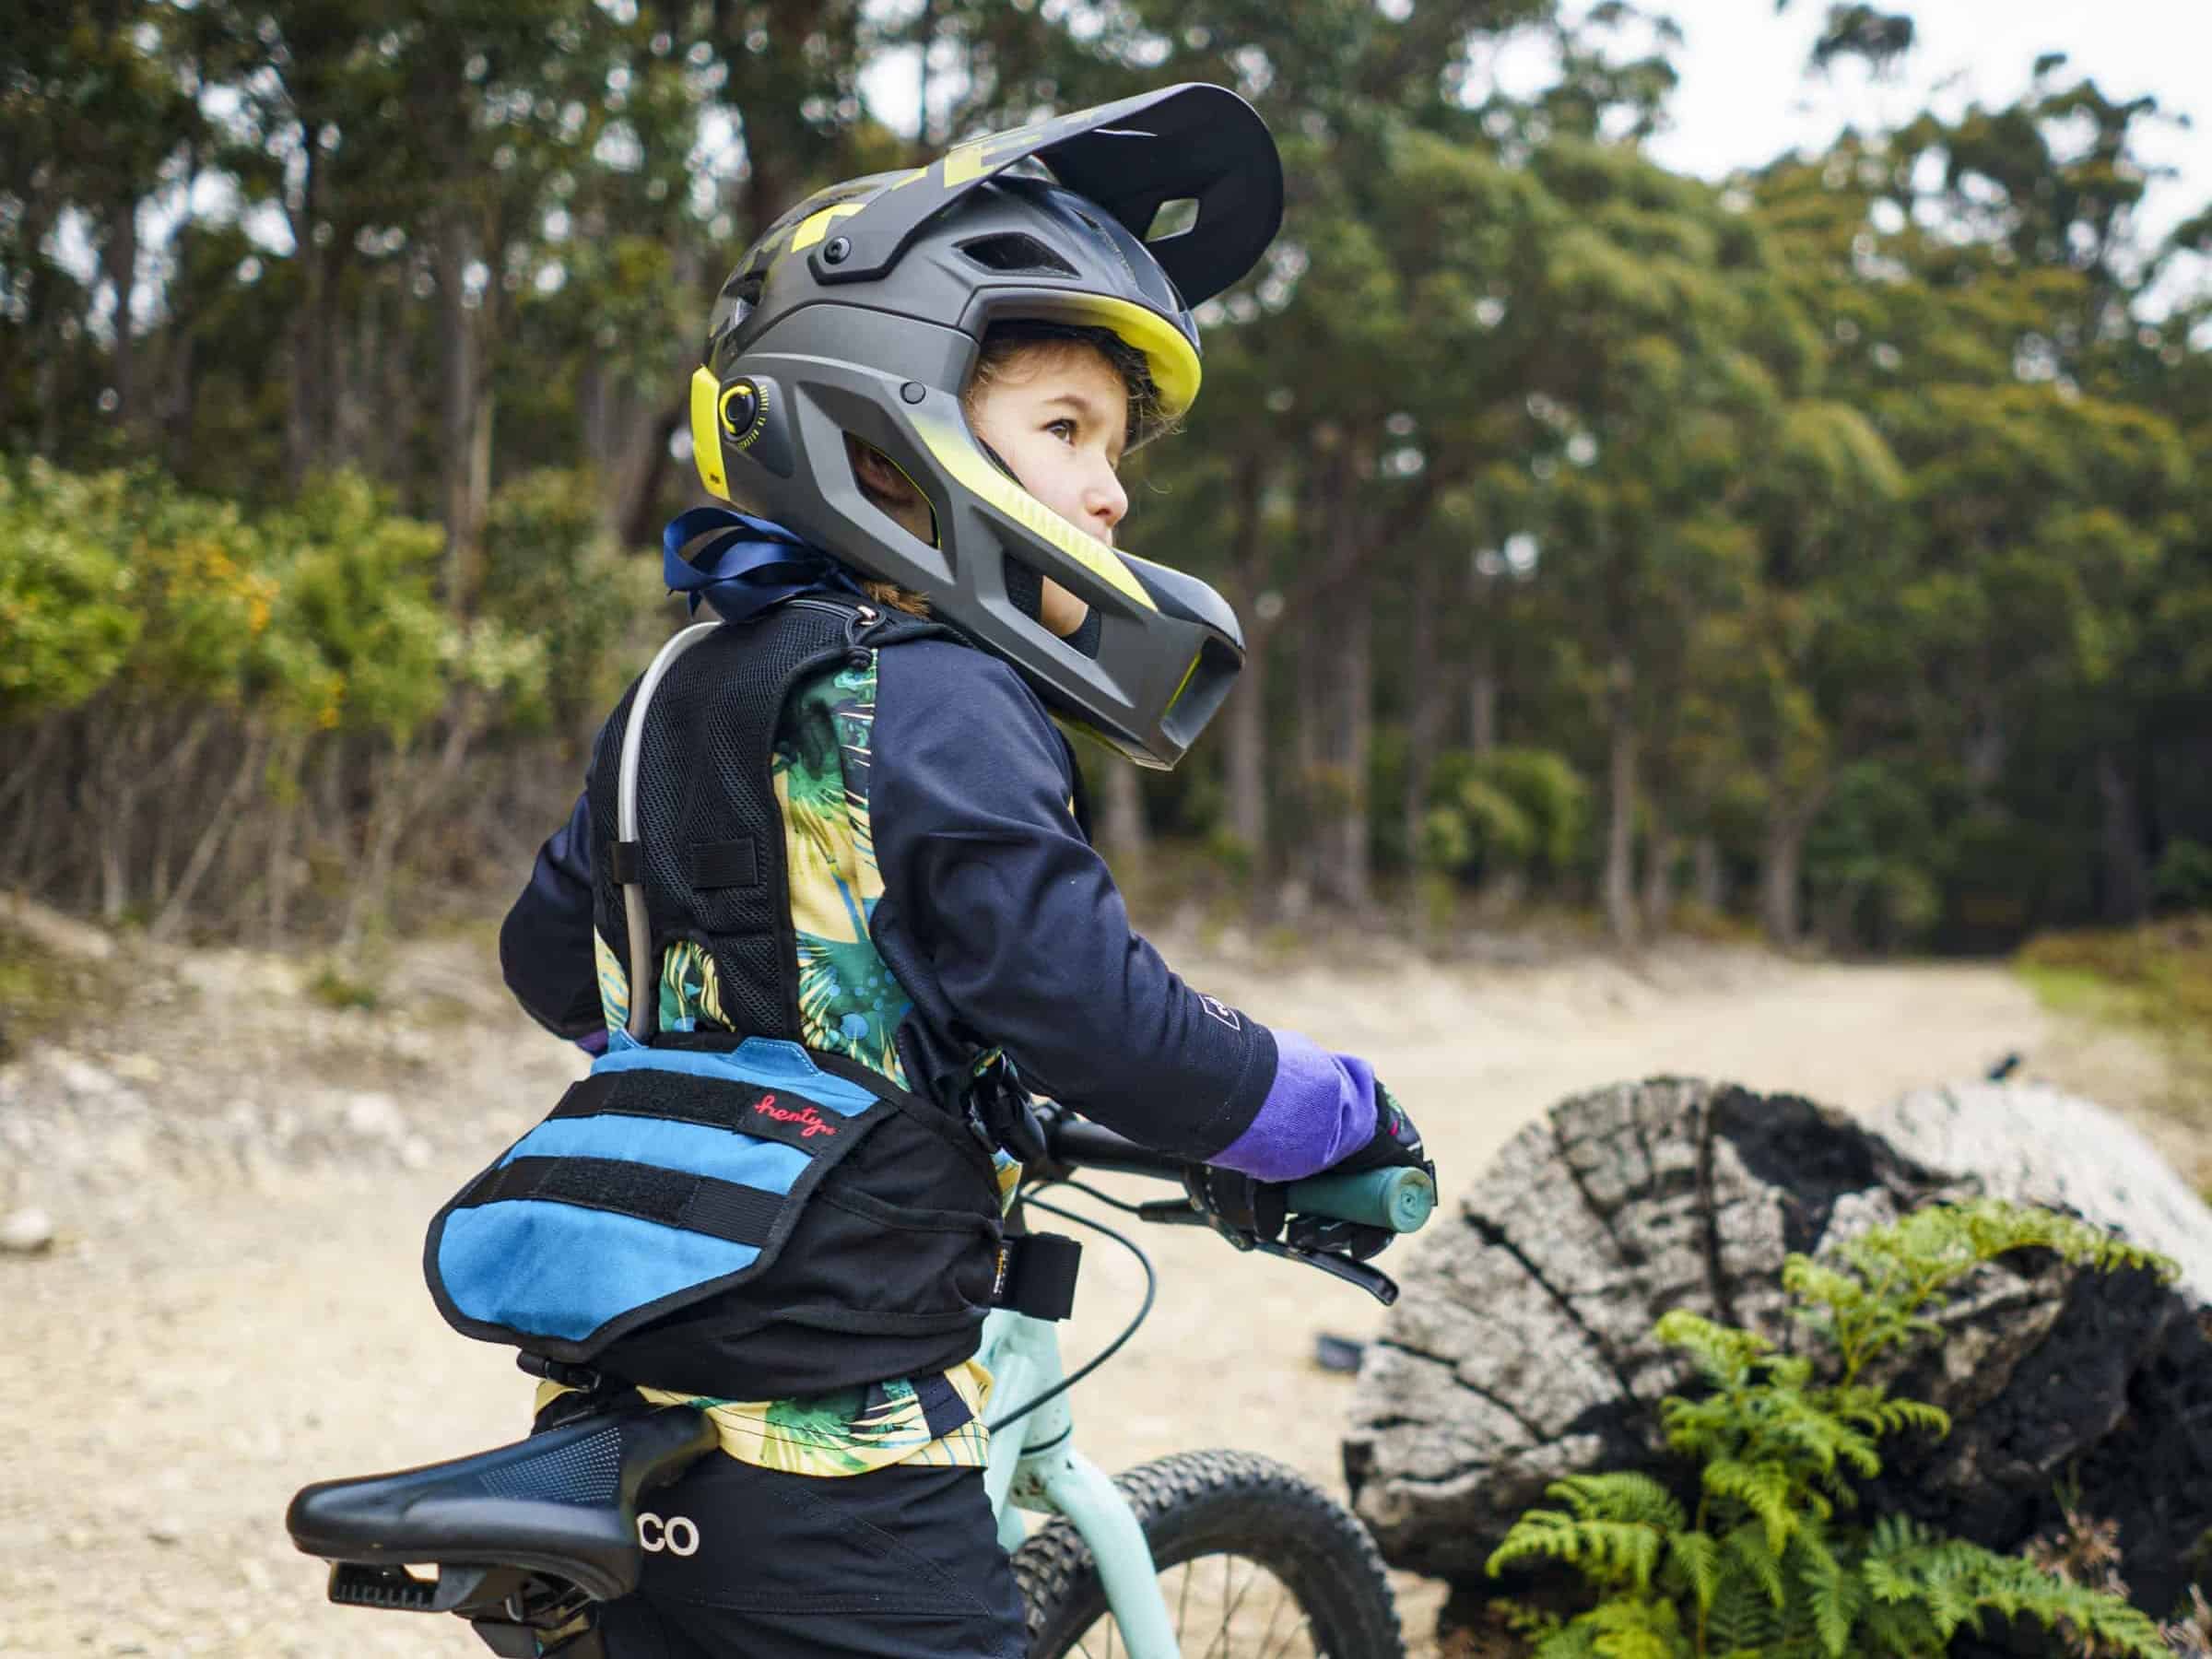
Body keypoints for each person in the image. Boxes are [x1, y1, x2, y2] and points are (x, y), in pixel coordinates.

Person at [431, 83, 1433, 1659]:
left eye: (1116, 454)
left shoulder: (678, 685)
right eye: (1065, 433)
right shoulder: (949, 696)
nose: (1111, 494)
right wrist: (1323, 1111)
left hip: (619, 1389)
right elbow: (1080, 1003)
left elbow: (557, 961)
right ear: (890, 434)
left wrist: (753, 1056)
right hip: (839, 1446)